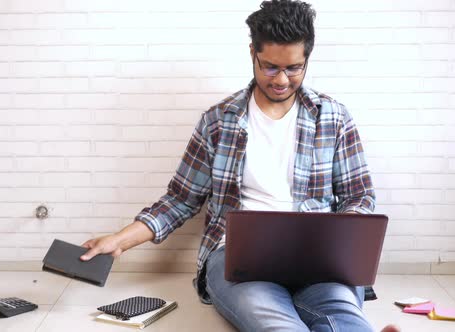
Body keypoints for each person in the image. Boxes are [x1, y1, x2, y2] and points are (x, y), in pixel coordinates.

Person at [81, 1, 400, 331]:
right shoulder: (218, 121)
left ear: (307, 59)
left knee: (342, 313)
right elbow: (180, 199)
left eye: (293, 68)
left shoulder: (333, 117)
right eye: (270, 67)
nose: (281, 80)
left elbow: (359, 197)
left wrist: (339, 238)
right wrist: (120, 239)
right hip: (237, 259)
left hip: (318, 260)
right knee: (273, 322)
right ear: (253, 53)